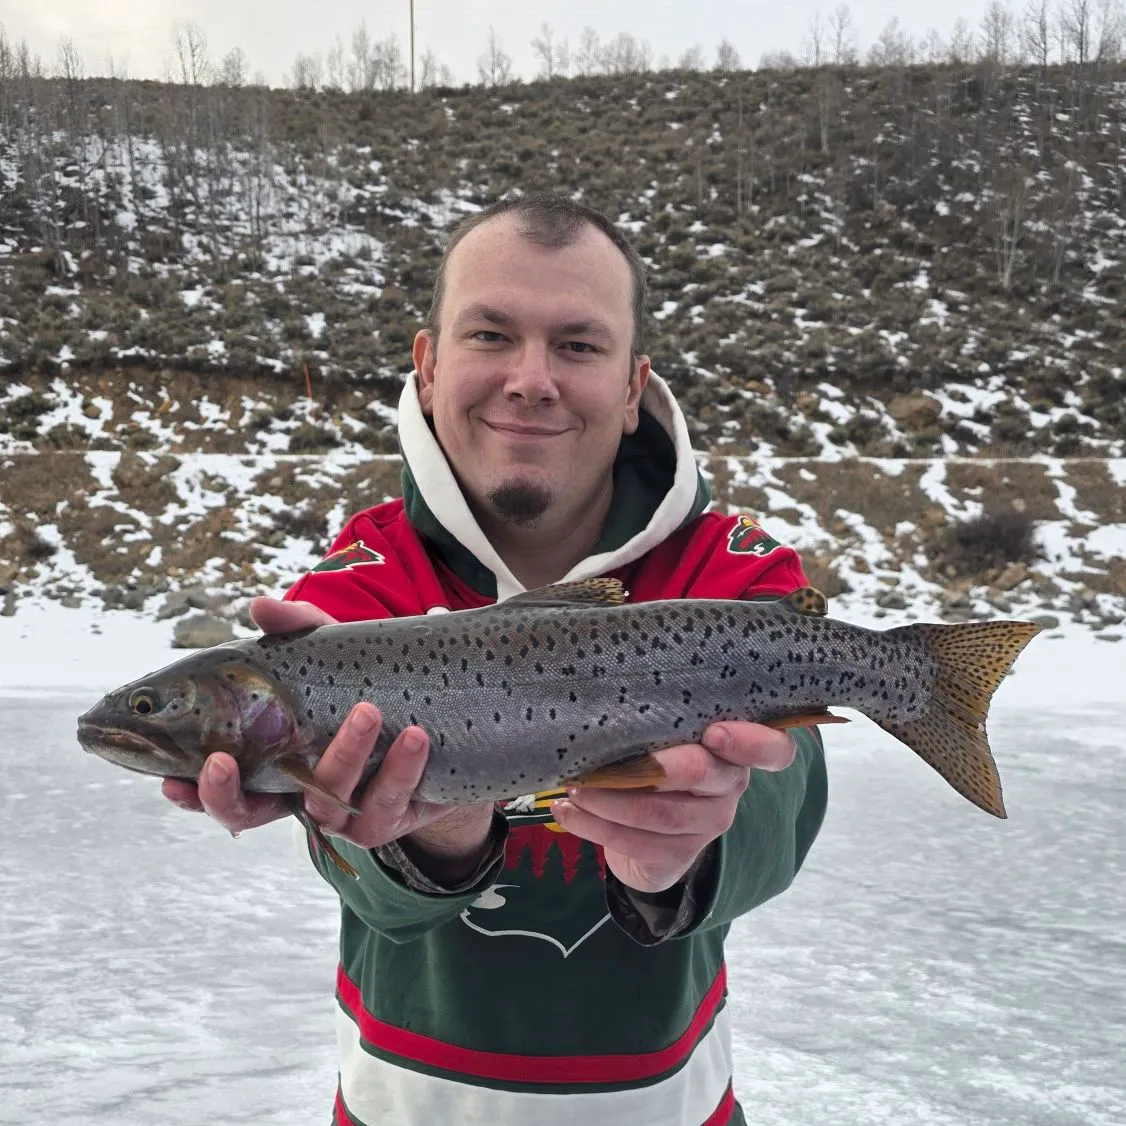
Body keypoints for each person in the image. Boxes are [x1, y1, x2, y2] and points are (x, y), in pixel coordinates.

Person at [163, 192, 828, 1126]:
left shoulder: (732, 571)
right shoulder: (351, 597)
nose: (531, 379)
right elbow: (359, 880)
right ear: (428, 366)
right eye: (490, 335)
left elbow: (789, 798)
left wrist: (695, 844)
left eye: (578, 345)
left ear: (635, 387)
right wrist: (428, 833)